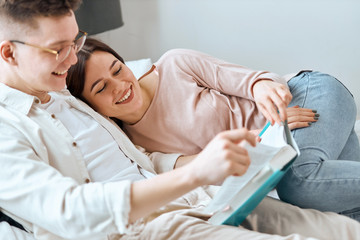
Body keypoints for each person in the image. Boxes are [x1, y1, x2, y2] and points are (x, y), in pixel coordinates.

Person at [1, 1, 359, 240]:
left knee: (343, 229)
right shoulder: (10, 128)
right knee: (307, 189)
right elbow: (68, 210)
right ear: (8, 52)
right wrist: (194, 171)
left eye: (74, 42)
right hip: (149, 226)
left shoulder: (65, 93)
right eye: (56, 49)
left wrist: (197, 169)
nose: (69, 58)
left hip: (205, 198)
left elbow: (137, 157)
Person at [67, 38, 360, 221]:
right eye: (101, 87)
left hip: (305, 98)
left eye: (117, 69)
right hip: (276, 143)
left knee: (299, 183)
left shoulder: (174, 64)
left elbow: (258, 81)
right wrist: (266, 137)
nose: (120, 86)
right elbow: (193, 166)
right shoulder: (130, 145)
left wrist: (269, 99)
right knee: (349, 217)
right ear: (90, 106)